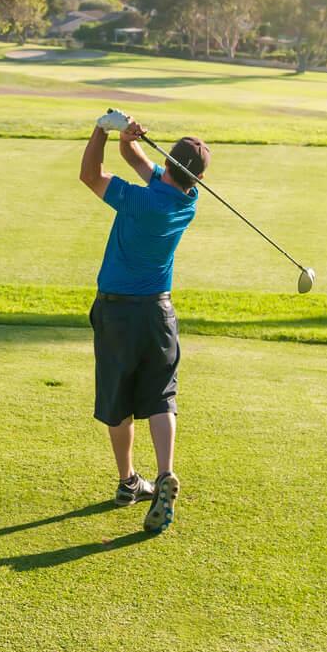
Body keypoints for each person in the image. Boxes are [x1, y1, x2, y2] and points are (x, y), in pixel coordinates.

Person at [79, 110, 209, 534]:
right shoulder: (187, 201)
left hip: (118, 311)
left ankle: (127, 481)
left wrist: (101, 129)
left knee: (119, 399)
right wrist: (129, 138)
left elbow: (90, 174)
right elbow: (135, 160)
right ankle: (165, 473)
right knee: (159, 396)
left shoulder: (139, 200)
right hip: (159, 313)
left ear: (168, 164)